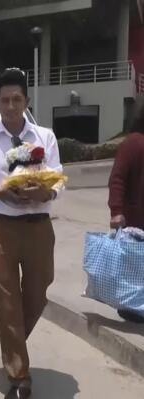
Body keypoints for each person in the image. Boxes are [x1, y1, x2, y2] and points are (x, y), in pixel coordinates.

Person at [0, 68, 63, 399]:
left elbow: (58, 178)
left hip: (38, 227)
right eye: (4, 100)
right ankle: (19, 375)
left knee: (38, 291)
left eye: (17, 99)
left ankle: (13, 342)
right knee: (7, 302)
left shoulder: (45, 138)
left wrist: (44, 193)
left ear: (26, 101)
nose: (10, 105)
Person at [108, 101, 144, 323]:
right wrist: (117, 210)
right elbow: (117, 179)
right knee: (133, 268)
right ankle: (131, 308)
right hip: (135, 221)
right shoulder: (134, 143)